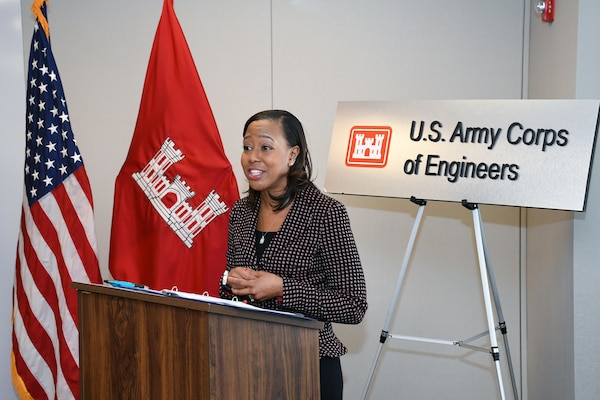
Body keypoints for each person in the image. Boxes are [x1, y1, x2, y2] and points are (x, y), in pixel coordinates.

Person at [220, 109, 368, 400]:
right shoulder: (241, 211)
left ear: (292, 155)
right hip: (244, 363)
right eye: (247, 147)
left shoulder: (325, 213)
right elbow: (231, 292)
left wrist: (282, 289)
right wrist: (231, 281)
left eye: (265, 147)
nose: (253, 157)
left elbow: (353, 305)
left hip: (307, 366)